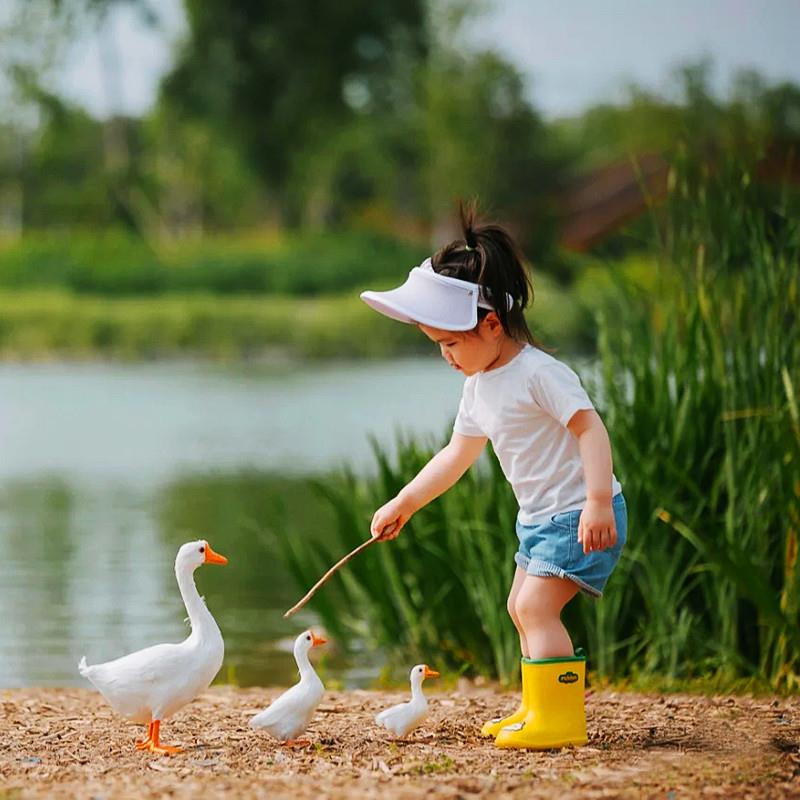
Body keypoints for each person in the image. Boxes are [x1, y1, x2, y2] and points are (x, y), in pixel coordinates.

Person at [359, 204, 627, 750]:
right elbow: (456, 455)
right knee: (518, 608)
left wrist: (599, 501)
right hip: (539, 521)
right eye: (438, 347)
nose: (447, 357)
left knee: (535, 607)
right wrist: (404, 502)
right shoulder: (479, 385)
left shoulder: (538, 374)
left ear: (491, 324)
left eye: (452, 344)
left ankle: (560, 721)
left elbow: (591, 431)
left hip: (579, 515)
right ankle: (538, 709)